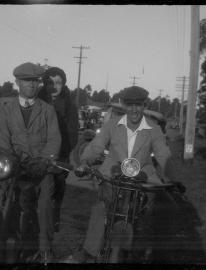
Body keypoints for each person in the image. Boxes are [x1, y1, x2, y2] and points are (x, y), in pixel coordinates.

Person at [64, 86, 172, 263]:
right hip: (112, 178)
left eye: (139, 105)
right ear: (124, 105)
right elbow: (97, 146)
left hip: (142, 180)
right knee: (101, 209)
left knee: (148, 215)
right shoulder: (112, 125)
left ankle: (145, 253)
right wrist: (85, 162)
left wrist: (169, 176)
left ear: (145, 105)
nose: (134, 110)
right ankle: (90, 251)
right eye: (130, 105)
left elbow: (163, 154)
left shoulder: (154, 129)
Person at [0, 62, 62, 263]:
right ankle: (6, 242)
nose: (31, 86)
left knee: (45, 202)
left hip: (41, 168)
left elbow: (54, 140)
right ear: (17, 82)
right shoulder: (6, 110)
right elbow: (2, 141)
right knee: (5, 198)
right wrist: (12, 161)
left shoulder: (48, 110)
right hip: (15, 167)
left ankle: (45, 248)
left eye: (35, 82)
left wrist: (44, 162)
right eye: (26, 81)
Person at [38, 67, 79, 231]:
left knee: (57, 188)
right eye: (50, 82)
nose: (54, 86)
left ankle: (53, 220)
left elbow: (72, 137)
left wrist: (57, 154)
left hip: (58, 157)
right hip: (36, 154)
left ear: (63, 84)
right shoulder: (36, 101)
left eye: (58, 82)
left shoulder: (70, 107)